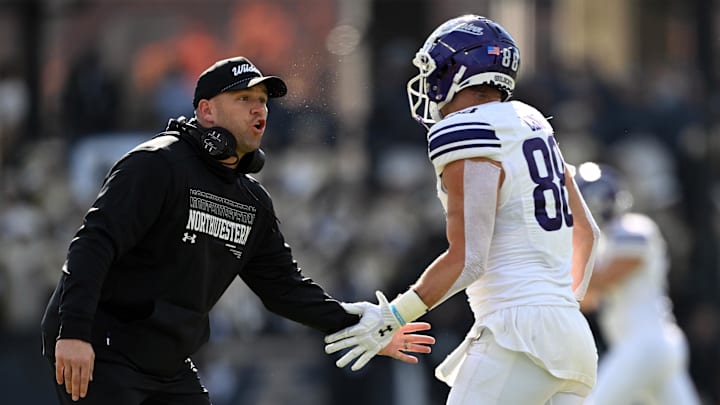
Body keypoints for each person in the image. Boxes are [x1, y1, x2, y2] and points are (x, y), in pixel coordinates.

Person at [40, 56, 435, 404]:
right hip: (103, 347)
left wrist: (356, 321)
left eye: (262, 100)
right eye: (243, 99)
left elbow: (285, 290)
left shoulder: (253, 202)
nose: (258, 109)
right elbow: (93, 244)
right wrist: (74, 333)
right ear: (207, 112)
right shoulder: (156, 164)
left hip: (167, 363)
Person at [324, 15, 601, 404]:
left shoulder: (466, 130)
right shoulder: (532, 121)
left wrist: (394, 317)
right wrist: (558, 309)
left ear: (457, 71)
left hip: (517, 334)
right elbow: (587, 233)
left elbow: (470, 259)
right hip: (573, 338)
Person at [574, 162, 701, 405]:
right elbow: (586, 300)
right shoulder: (605, 242)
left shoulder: (632, 229)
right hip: (653, 346)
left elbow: (602, 278)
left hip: (645, 344)